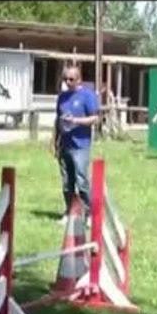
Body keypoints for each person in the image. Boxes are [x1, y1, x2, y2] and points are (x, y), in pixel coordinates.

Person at [52, 64, 100, 223]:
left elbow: (95, 118)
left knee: (81, 179)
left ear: (79, 79)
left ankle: (88, 213)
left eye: (71, 79)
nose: (67, 82)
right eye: (65, 79)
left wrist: (76, 121)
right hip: (65, 144)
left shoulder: (87, 95)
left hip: (80, 145)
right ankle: (69, 211)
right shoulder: (62, 97)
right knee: (67, 182)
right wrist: (54, 140)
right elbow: (57, 120)